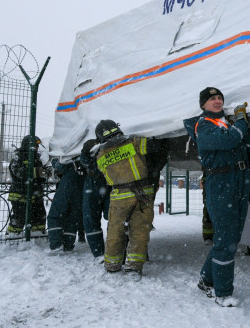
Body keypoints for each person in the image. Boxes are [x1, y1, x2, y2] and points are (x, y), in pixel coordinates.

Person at [183, 87, 250, 307]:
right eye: (212, 99)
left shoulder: (227, 124)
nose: (217, 101)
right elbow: (228, 142)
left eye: (219, 98)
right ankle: (223, 293)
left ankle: (207, 279)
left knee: (230, 239)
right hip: (220, 185)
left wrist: (240, 125)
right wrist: (241, 123)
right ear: (203, 105)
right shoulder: (203, 125)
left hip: (239, 183)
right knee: (226, 240)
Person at [94, 119, 167, 278]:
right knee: (139, 232)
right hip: (142, 194)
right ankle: (133, 267)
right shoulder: (134, 142)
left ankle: (112, 265)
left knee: (115, 231)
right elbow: (155, 147)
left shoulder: (100, 155)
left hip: (118, 197)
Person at [7, 135, 48, 234]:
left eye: (38, 146)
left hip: (36, 195)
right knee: (19, 218)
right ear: (28, 145)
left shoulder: (38, 158)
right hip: (19, 195)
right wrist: (36, 172)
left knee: (39, 216)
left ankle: (37, 237)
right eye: (35, 145)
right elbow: (17, 172)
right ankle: (12, 238)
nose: (37, 148)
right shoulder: (18, 157)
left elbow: (41, 175)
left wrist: (45, 173)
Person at [80, 138, 111, 262]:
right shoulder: (90, 146)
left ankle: (115, 250)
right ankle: (99, 253)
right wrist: (85, 151)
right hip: (94, 183)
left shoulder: (109, 145)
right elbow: (84, 161)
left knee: (114, 218)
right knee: (91, 219)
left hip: (107, 183)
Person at [47, 156, 85, 252]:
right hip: (81, 189)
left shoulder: (67, 155)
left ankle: (56, 244)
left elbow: (61, 167)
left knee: (54, 216)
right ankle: (68, 244)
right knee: (72, 218)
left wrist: (54, 161)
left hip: (66, 187)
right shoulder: (84, 159)